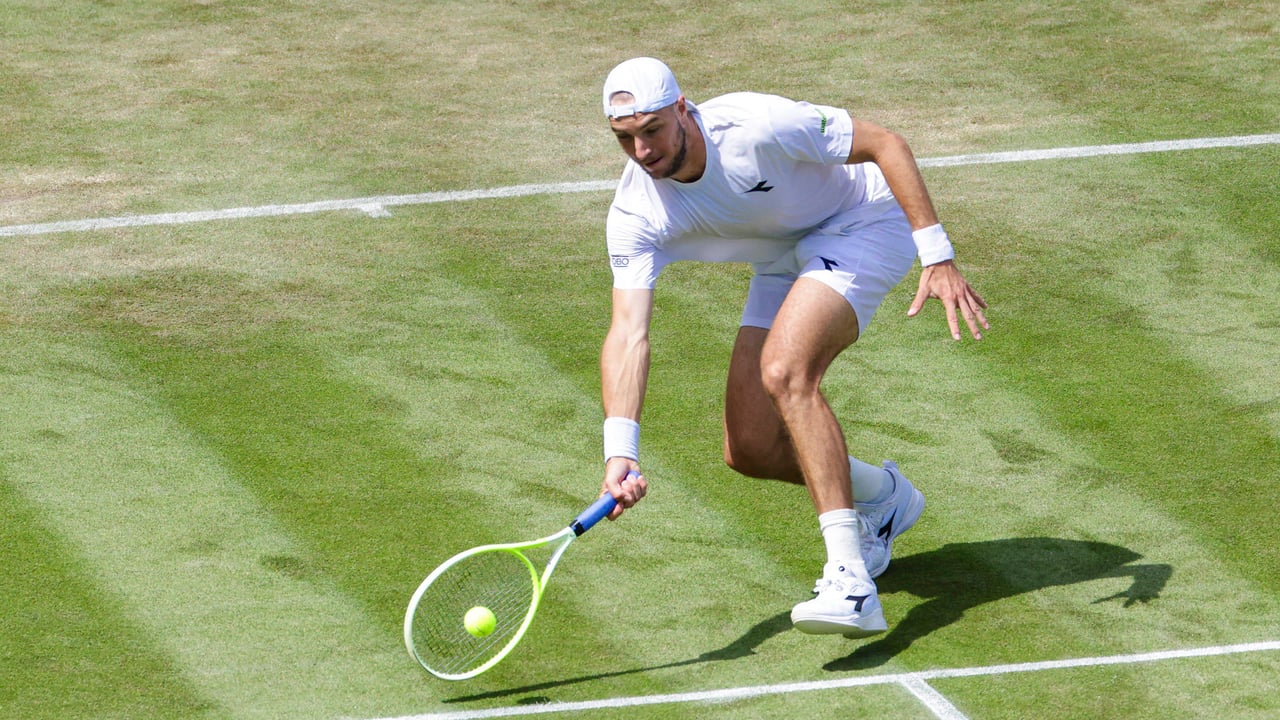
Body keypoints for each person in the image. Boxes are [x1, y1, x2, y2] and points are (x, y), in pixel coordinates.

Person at [594, 57, 988, 638]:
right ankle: (885, 498)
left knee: (785, 371)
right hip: (784, 255)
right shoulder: (636, 211)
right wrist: (619, 452)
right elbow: (629, 334)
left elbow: (886, 143)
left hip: (863, 221)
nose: (642, 151)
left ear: (682, 108)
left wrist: (938, 254)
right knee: (751, 448)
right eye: (625, 139)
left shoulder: (756, 125)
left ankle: (851, 582)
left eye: (652, 130)